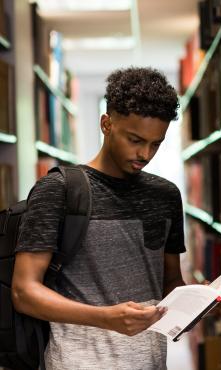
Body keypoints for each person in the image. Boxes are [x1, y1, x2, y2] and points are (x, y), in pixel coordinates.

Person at [12, 67, 186, 370]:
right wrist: (106, 318)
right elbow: (24, 292)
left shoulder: (166, 195)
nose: (144, 153)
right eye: (135, 139)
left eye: (155, 144)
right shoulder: (59, 190)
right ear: (106, 124)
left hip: (153, 362)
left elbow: (171, 282)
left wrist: (196, 304)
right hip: (76, 363)